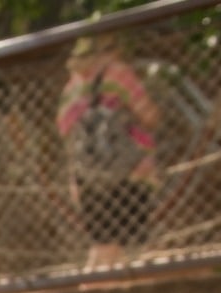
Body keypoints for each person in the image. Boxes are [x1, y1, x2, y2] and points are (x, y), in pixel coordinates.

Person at [57, 34, 160, 271]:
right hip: (129, 173)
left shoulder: (72, 88)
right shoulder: (118, 74)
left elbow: (64, 130)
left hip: (87, 179)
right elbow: (150, 116)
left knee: (102, 246)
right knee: (127, 248)